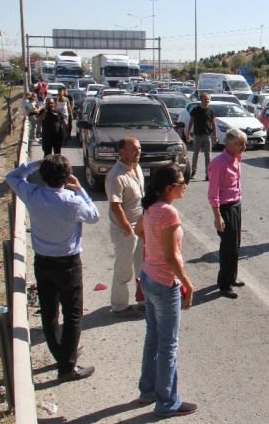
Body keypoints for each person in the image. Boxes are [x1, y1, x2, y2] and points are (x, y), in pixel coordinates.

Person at [5, 155, 100, 381]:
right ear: (67, 177)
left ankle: (61, 353)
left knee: (49, 313)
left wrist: (35, 164)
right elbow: (94, 216)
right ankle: (67, 367)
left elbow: (12, 176)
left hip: (42, 262)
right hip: (68, 264)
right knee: (73, 315)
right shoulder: (72, 201)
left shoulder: (33, 194)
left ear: (43, 176)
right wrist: (80, 190)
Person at [134, 165, 197, 417]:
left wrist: (155, 245)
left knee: (153, 338)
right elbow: (172, 257)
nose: (185, 186)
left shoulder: (151, 207)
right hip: (164, 283)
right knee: (168, 345)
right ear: (169, 188)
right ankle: (167, 402)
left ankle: (148, 390)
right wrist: (188, 284)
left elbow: (140, 231)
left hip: (148, 276)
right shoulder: (168, 213)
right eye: (182, 182)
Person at [105, 137, 146, 317]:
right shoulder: (116, 176)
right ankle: (119, 305)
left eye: (139, 149)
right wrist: (128, 230)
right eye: (133, 150)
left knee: (143, 266)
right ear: (122, 153)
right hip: (125, 231)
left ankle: (143, 300)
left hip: (141, 228)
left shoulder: (136, 168)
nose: (138, 152)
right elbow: (115, 206)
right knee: (124, 269)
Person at [207, 128, 247, 299]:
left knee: (235, 244)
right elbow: (213, 193)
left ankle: (232, 276)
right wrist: (218, 216)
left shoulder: (235, 160)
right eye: (241, 144)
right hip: (225, 208)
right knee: (227, 247)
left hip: (235, 205)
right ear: (230, 144)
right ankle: (224, 284)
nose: (244, 147)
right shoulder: (219, 163)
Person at [185, 93, 218, 181]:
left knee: (208, 156)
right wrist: (188, 134)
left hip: (207, 136)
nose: (207, 101)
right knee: (196, 155)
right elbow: (191, 122)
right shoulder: (195, 110)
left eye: (208, 99)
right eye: (206, 99)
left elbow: (214, 124)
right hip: (197, 136)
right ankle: (193, 172)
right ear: (201, 100)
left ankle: (208, 174)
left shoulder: (211, 111)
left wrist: (215, 136)